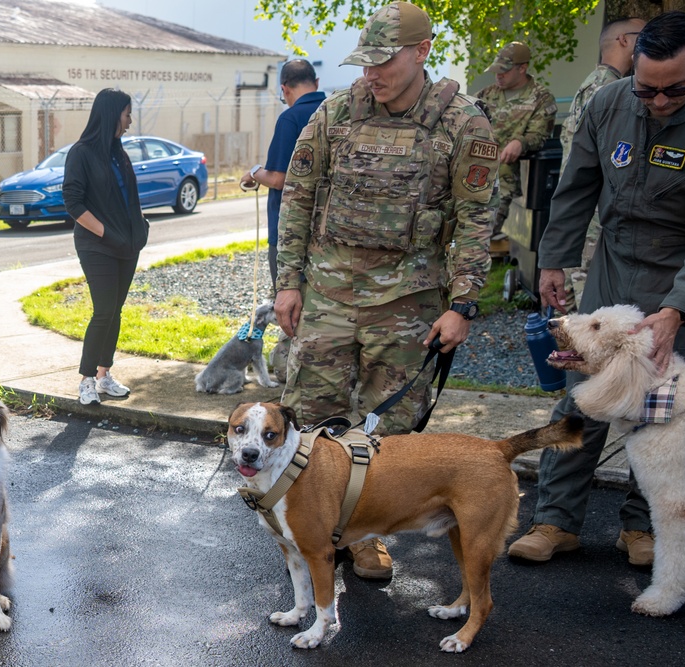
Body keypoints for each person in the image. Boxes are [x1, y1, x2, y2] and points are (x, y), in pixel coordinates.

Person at [274, 1, 500, 580]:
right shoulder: (334, 113)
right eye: (364, 63)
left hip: (408, 306)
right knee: (311, 421)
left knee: (386, 433)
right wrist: (288, 283)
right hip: (326, 296)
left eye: (384, 62)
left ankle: (367, 533)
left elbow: (477, 218)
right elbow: (299, 197)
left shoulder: (463, 122)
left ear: (422, 52)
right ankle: (311, 529)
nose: (370, 75)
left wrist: (462, 304)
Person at [509, 11, 685, 567]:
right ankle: (555, 518)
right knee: (582, 393)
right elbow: (576, 188)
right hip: (614, 266)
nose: (660, 101)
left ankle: (642, 525)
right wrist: (553, 260)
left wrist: (678, 309)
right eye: (647, 89)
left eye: (675, 90)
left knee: (668, 406)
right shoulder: (608, 103)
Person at [63, 88, 149, 406]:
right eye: (127, 113)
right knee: (103, 311)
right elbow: (73, 202)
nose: (130, 120)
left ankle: (104, 375)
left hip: (127, 245)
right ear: (113, 115)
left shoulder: (118, 153)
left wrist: (139, 230)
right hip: (96, 246)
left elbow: (127, 199)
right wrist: (107, 234)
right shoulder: (81, 153)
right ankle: (86, 380)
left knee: (116, 312)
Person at [560, 17, 646, 309]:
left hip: (585, 213)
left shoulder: (593, 83)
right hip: (595, 215)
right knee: (593, 313)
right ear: (624, 40)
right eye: (643, 36)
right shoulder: (609, 90)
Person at [241, 59, 325, 289]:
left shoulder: (291, 117)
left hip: (290, 232)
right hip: (328, 229)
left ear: (284, 89)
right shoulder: (335, 113)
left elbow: (278, 179)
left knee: (288, 301)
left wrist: (255, 172)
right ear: (316, 82)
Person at [476, 42, 557, 237]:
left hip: (504, 178)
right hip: (476, 171)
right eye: (496, 71)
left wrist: (520, 142)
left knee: (482, 234)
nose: (498, 76)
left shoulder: (541, 98)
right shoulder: (486, 94)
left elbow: (539, 135)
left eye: (504, 71)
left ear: (522, 68)